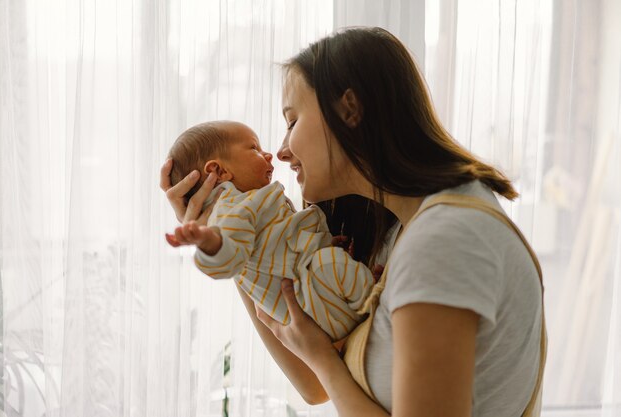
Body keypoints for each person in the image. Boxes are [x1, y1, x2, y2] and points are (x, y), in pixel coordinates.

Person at [161, 27, 546, 417]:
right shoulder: (398, 229)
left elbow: (324, 373)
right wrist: (228, 228)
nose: (279, 151)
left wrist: (326, 364)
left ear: (349, 110)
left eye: (292, 122)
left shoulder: (444, 240)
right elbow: (314, 385)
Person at [165, 120, 376, 341]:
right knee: (330, 263)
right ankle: (374, 298)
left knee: (330, 261)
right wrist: (211, 241)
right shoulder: (233, 207)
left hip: (315, 297)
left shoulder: (250, 204)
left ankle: (366, 291)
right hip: (313, 305)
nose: (269, 155)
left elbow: (280, 248)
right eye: (254, 148)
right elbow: (230, 257)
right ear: (219, 170)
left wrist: (323, 243)